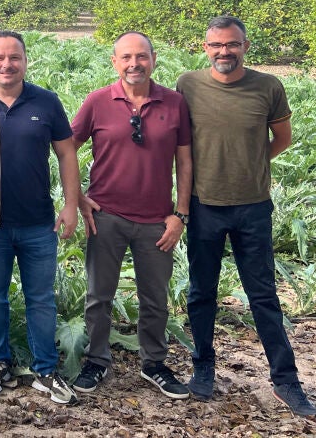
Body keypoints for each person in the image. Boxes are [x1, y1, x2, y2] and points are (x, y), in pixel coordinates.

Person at [177, 15, 316, 417]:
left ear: (245, 46)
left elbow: (283, 138)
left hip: (253, 207)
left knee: (263, 295)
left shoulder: (268, 86)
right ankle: (203, 368)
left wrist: (252, 163)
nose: (224, 52)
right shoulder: (188, 85)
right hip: (204, 205)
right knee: (201, 293)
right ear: (205, 48)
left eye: (232, 44)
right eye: (216, 45)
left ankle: (286, 381)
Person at [0, 30, 81, 405]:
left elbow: (67, 154)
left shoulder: (46, 101)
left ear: (25, 61)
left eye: (15, 57)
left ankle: (46, 369)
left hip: (38, 223)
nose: (7, 64)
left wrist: (71, 204)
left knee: (41, 299)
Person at [69, 32, 192, 399]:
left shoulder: (175, 103)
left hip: (157, 221)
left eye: (141, 56)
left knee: (155, 297)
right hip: (106, 216)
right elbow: (66, 149)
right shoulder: (97, 102)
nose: (134, 64)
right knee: (99, 296)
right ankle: (96, 360)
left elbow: (185, 161)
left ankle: (154, 363)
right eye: (126, 57)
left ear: (153, 59)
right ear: (115, 62)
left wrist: (180, 214)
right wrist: (78, 197)